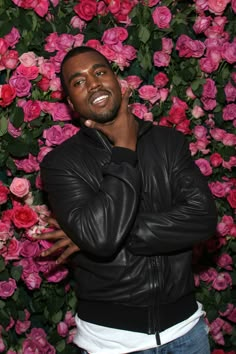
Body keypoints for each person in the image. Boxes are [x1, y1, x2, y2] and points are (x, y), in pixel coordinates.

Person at [37, 46, 217, 354]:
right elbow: (104, 238)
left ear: (116, 80)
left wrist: (106, 230)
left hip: (188, 334)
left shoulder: (169, 143)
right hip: (110, 343)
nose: (93, 84)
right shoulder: (60, 163)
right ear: (70, 103)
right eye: (78, 82)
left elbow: (203, 219)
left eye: (99, 72)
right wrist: (124, 147)